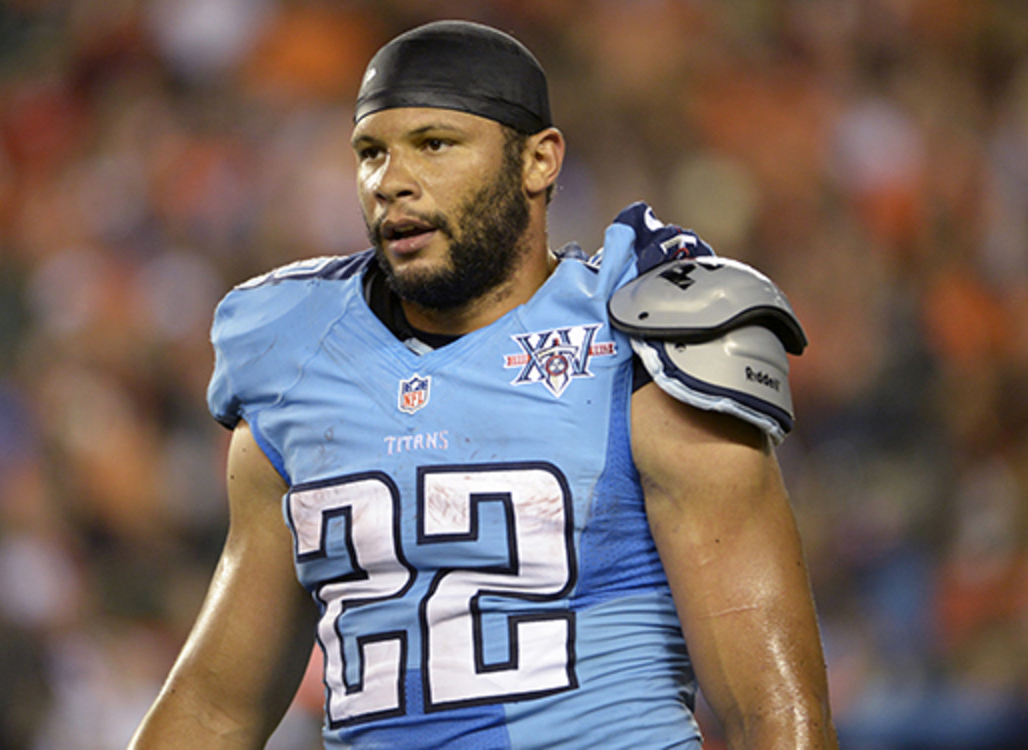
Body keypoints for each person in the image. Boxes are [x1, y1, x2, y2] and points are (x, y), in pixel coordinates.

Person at [129, 19, 837, 750]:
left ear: (539, 161)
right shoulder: (299, 366)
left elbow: (772, 713)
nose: (390, 181)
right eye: (371, 152)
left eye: (435, 144)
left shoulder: (642, 346)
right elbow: (217, 709)